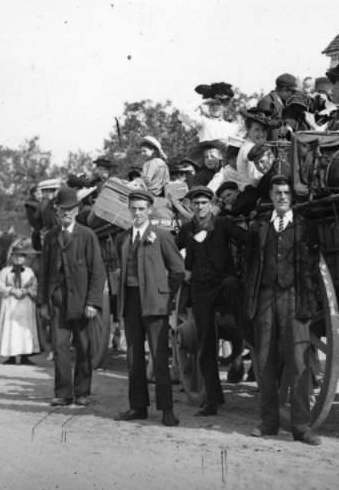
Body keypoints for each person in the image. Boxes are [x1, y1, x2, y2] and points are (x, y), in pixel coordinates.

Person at [244, 175, 322, 445]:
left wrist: (308, 303)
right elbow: (249, 265)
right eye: (277, 193)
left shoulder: (305, 227)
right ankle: (268, 423)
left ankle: (301, 427)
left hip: (294, 299)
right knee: (264, 361)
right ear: (271, 195)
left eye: (286, 193)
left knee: (299, 363)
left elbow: (311, 268)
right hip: (264, 298)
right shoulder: (259, 227)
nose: (281, 197)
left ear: (292, 197)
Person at [115, 189, 185, 426]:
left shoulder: (162, 236)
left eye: (141, 209)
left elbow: (177, 270)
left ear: (150, 210)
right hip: (131, 302)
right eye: (133, 208)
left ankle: (166, 410)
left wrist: (168, 296)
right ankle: (138, 407)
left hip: (156, 304)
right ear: (129, 209)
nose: (137, 213)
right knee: (133, 358)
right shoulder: (122, 239)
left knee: (159, 357)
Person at [176, 186, 246, 416]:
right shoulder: (187, 230)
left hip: (222, 284)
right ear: (191, 206)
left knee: (232, 285)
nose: (199, 207)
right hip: (200, 289)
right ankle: (212, 400)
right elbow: (171, 250)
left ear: (210, 204)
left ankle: (244, 330)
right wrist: (181, 270)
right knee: (206, 344)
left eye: (204, 203)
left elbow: (244, 239)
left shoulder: (223, 224)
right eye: (195, 204)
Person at [39, 186, 105, 406]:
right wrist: (42, 302)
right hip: (58, 302)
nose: (67, 213)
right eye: (63, 209)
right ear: (57, 211)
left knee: (85, 347)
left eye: (71, 209)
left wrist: (93, 302)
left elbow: (97, 271)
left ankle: (82, 392)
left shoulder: (87, 236)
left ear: (77, 211)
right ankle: (63, 393)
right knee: (59, 348)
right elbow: (44, 272)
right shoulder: (50, 237)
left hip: (82, 302)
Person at [0, 240, 40, 365]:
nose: (19, 259)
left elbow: (35, 284)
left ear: (24, 259)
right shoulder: (6, 271)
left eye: (21, 256)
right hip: (11, 303)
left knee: (24, 329)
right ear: (12, 257)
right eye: (16, 256)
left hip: (25, 303)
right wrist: (11, 290)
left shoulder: (29, 272)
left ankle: (25, 356)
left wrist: (26, 291)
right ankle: (11, 356)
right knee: (11, 328)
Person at [178, 82, 243, 144]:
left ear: (224, 106)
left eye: (218, 104)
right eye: (212, 104)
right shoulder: (203, 122)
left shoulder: (233, 127)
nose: (215, 107)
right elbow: (184, 111)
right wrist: (205, 100)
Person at [236, 108, 277, 187]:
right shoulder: (250, 148)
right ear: (248, 129)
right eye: (257, 130)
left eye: (264, 130)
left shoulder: (260, 145)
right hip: (254, 193)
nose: (261, 134)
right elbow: (256, 178)